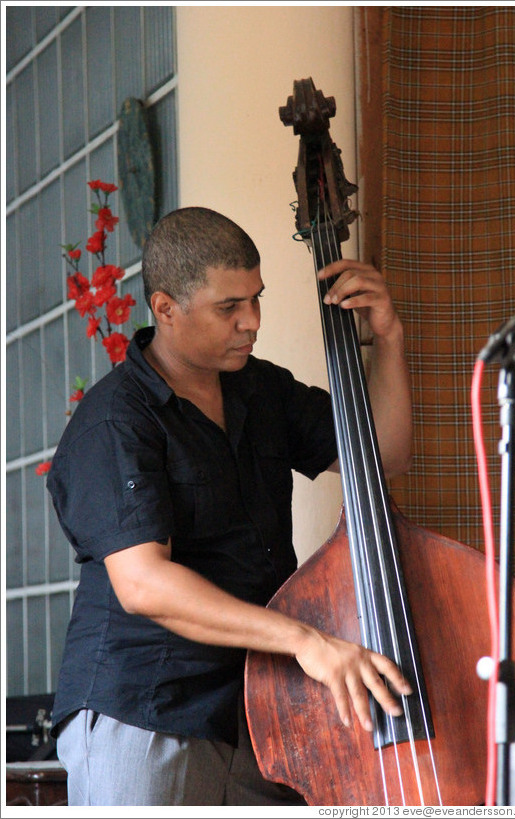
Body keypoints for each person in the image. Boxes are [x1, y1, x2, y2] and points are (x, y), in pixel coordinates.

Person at [47, 206, 413, 806]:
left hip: (259, 710)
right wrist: (305, 640)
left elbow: (386, 456)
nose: (252, 322)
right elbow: (144, 584)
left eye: (256, 299)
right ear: (165, 308)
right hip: (147, 711)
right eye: (229, 308)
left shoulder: (261, 388)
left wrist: (390, 337)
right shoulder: (115, 421)